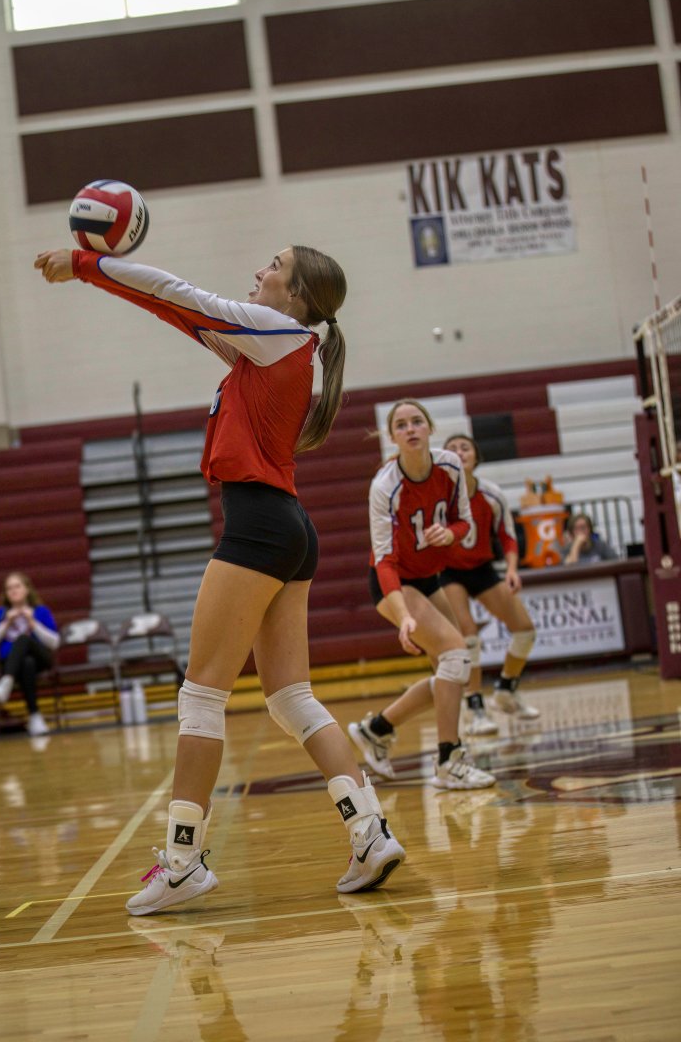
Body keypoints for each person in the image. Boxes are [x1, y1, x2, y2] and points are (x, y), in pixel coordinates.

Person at [35, 242, 405, 915]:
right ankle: (369, 831)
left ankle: (182, 863)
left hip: (259, 525)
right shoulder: (270, 346)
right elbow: (177, 312)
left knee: (201, 696)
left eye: (274, 265)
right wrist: (102, 281)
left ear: (297, 295)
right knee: (291, 699)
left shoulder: (275, 331)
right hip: (289, 526)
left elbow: (179, 292)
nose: (259, 270)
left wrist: (85, 264)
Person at [347, 400, 496, 791]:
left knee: (452, 672)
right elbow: (384, 560)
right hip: (395, 583)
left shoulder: (450, 466)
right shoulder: (384, 486)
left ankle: (377, 729)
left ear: (429, 428)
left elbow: (463, 521)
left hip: (430, 576)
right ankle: (449, 761)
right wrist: (404, 616)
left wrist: (450, 534)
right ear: (392, 437)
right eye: (401, 425)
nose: (410, 428)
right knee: (455, 655)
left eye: (417, 421)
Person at [441, 434, 540, 733]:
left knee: (525, 629)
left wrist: (512, 570)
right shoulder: (438, 496)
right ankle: (475, 707)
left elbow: (507, 537)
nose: (459, 452)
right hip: (447, 571)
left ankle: (506, 691)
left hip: (482, 568)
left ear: (476, 456)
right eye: (452, 449)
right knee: (468, 636)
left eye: (465, 447)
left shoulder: (492, 494)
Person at [0, 572, 59, 737]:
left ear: (27, 589)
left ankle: (6, 682)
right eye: (9, 588)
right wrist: (6, 623)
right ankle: (35, 716)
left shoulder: (40, 611)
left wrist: (33, 622)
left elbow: (54, 642)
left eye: (17, 586)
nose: (13, 591)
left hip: (41, 659)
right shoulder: (1, 613)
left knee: (23, 640)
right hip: (12, 663)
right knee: (27, 663)